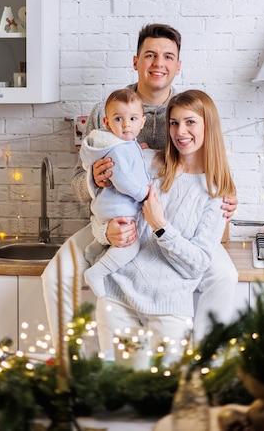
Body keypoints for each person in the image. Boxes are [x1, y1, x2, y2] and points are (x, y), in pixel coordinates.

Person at [42, 23, 238, 349]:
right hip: (115, 217)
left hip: (173, 223)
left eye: (167, 57)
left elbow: (212, 165)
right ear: (136, 61)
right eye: (150, 55)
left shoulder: (189, 111)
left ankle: (205, 365)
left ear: (178, 66)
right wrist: (95, 180)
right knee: (55, 276)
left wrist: (228, 200)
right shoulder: (108, 109)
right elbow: (79, 180)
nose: (158, 63)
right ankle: (68, 367)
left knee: (224, 276)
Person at [95, 89, 237, 358]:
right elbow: (104, 211)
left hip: (169, 305)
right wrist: (105, 231)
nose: (180, 131)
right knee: (117, 393)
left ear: (209, 126)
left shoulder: (217, 192)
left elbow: (198, 264)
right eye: (174, 123)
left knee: (168, 393)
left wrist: (161, 226)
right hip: (117, 295)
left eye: (190, 122)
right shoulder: (146, 162)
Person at [80, 88, 150, 298]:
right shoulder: (119, 148)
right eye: (119, 119)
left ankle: (93, 250)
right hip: (118, 208)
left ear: (142, 122)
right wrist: (143, 193)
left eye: (133, 119)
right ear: (107, 122)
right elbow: (122, 180)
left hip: (108, 206)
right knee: (130, 245)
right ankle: (96, 273)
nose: (126, 124)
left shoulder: (127, 144)